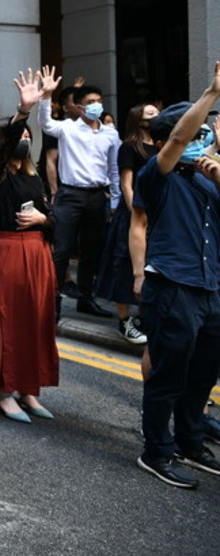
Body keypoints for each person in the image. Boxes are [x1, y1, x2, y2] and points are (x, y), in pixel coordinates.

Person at [130, 64, 220, 489]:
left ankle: (190, 440)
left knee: (203, 375)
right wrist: (210, 94)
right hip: (172, 286)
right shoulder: (158, 174)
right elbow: (180, 138)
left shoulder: (210, 179)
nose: (200, 139)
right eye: (196, 131)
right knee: (169, 375)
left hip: (210, 288)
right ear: (164, 141)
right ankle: (157, 452)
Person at [0, 69, 60, 423]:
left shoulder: (32, 174)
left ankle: (29, 390)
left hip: (38, 252)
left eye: (27, 134)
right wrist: (22, 111)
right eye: (16, 136)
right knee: (9, 322)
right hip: (9, 252)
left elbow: (54, 217)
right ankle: (4, 392)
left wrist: (44, 221)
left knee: (38, 321)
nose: (23, 138)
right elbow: (3, 149)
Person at [38, 75, 121, 317]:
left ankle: (86, 298)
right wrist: (46, 96)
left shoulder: (110, 135)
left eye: (99, 100)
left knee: (91, 251)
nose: (97, 105)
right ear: (79, 106)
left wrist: (115, 201)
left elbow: (114, 170)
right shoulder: (67, 127)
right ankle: (51, 300)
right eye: (91, 101)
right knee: (62, 249)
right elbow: (45, 123)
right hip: (70, 195)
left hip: (97, 196)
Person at [96, 103, 158, 344]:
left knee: (151, 266)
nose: (157, 117)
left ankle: (145, 317)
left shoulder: (163, 146)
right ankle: (124, 320)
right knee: (124, 265)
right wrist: (137, 213)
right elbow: (126, 185)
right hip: (133, 215)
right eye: (151, 114)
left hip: (157, 214)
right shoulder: (129, 147)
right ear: (138, 120)